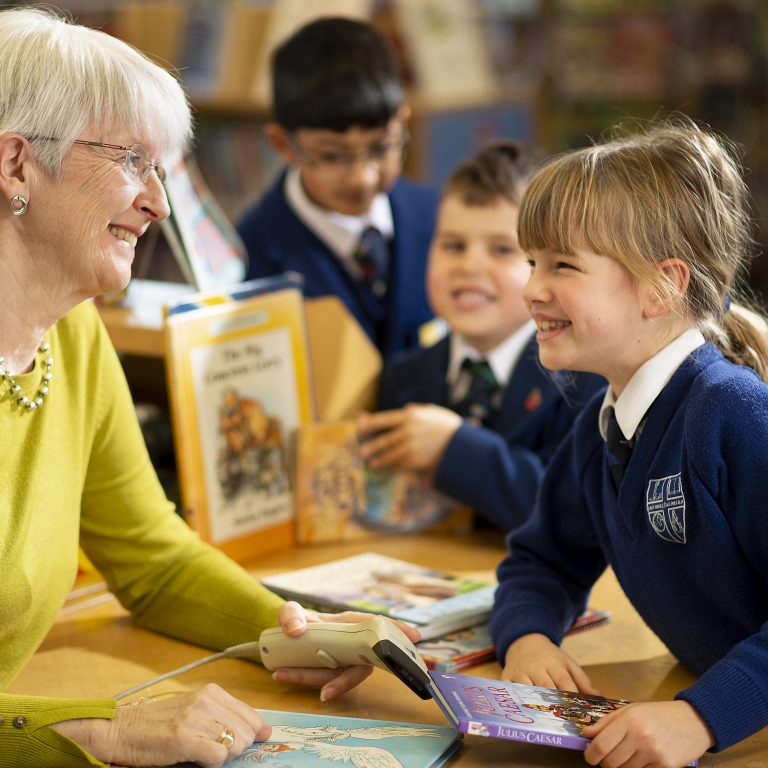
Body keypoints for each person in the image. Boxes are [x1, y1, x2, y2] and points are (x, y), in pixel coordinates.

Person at [0, 9, 419, 768]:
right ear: (16, 165)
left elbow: (154, 562)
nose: (158, 203)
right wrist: (104, 728)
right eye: (132, 160)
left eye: (161, 171)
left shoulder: (72, 333)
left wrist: (295, 629)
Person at [491, 118, 768, 767]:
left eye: (563, 265)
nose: (531, 288)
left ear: (663, 286)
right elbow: (542, 561)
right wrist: (527, 637)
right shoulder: (602, 420)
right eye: (532, 261)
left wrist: (700, 717)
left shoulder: (734, 413)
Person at [358, 142, 603, 531]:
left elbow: (577, 513)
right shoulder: (404, 378)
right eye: (452, 245)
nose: (470, 266)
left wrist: (453, 448)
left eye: (502, 249)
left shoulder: (585, 379)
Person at [236, 17, 438, 359]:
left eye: (381, 147)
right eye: (331, 155)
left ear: (403, 123)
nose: (363, 177)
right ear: (282, 145)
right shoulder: (248, 250)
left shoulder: (438, 217)